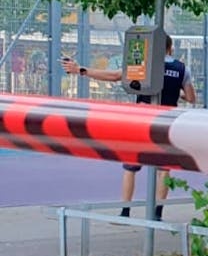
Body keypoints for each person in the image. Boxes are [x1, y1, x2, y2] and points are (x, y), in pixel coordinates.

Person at [62, 38, 195, 217]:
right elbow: (191, 97)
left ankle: (125, 211)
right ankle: (157, 212)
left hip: (142, 121)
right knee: (164, 170)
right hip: (166, 122)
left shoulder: (143, 66)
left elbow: (114, 76)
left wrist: (81, 70)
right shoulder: (182, 69)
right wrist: (172, 90)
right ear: (170, 48)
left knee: (130, 167)